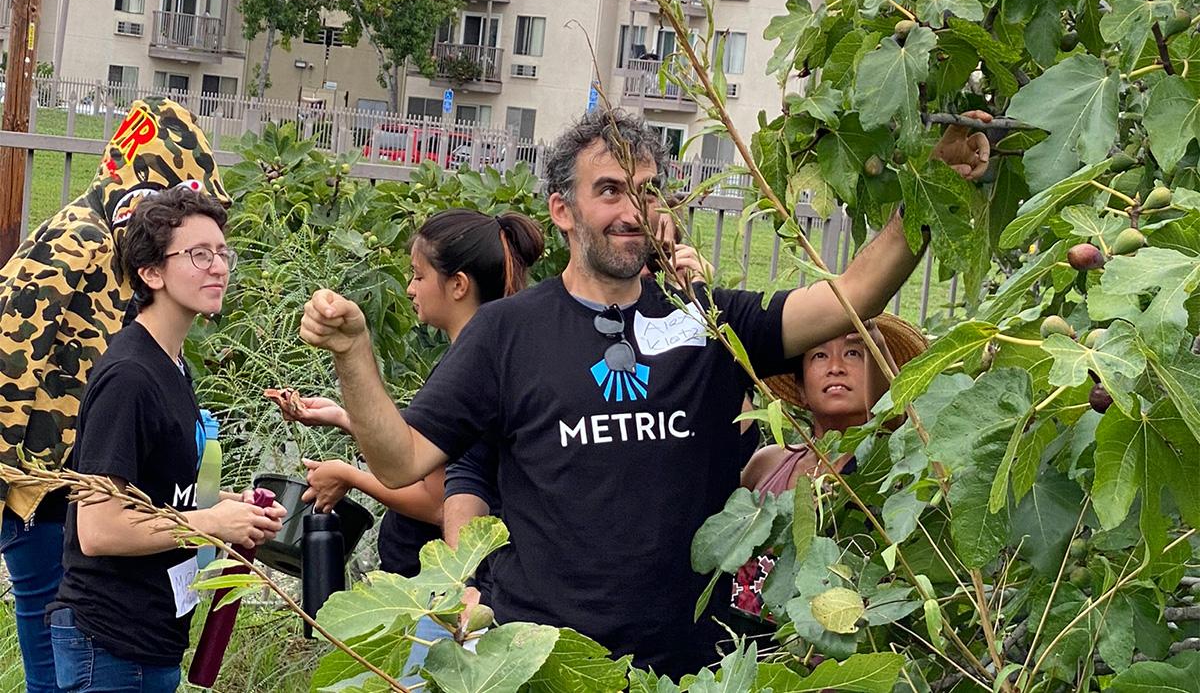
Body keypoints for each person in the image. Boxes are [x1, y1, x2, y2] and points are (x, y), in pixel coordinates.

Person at [299, 108, 989, 677]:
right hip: (545, 666)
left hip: (693, 671)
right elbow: (398, 461)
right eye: (610, 190)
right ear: (561, 209)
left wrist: (935, 179)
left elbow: (855, 294)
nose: (633, 210)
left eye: (646, 189)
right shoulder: (507, 333)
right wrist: (355, 354)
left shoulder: (707, 321)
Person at [0, 98, 228, 693]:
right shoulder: (78, 236)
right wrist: (14, 483)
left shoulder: (123, 245)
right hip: (37, 482)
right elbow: (9, 357)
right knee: (55, 630)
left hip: (83, 471)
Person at [277, 209, 543, 677]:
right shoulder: (485, 356)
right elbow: (422, 448)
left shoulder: (475, 371)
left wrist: (349, 475)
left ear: (458, 285)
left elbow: (438, 501)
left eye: (419, 276)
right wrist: (343, 417)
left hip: (447, 598)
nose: (410, 288)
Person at [47, 185, 285, 691]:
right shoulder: (130, 377)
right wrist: (209, 524)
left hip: (150, 637)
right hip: (109, 641)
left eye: (223, 253)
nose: (218, 267)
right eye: (199, 255)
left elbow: (156, 496)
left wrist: (231, 508)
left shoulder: (172, 365)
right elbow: (100, 528)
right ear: (151, 273)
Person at [733, 314, 928, 624]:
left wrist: (875, 341)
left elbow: (890, 417)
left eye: (854, 353)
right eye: (819, 355)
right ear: (799, 388)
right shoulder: (769, 463)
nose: (836, 367)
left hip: (830, 662)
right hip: (738, 645)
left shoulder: (892, 467)